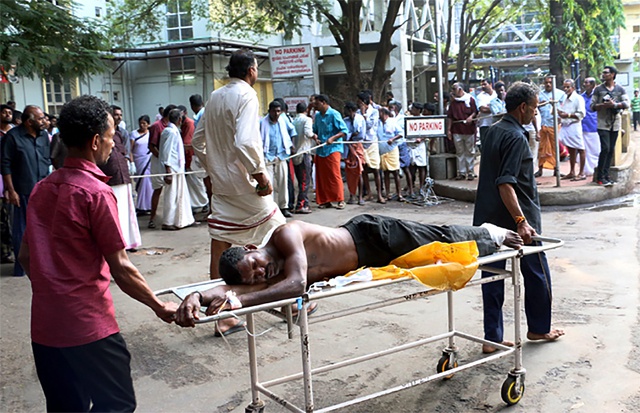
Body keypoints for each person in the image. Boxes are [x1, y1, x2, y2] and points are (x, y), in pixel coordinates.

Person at [19, 95, 177, 412]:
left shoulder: (42, 188)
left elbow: (26, 256)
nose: (111, 143)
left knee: (66, 407)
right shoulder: (96, 192)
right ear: (95, 141)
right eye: (109, 136)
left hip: (46, 327)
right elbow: (121, 267)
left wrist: (53, 288)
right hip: (88, 326)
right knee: (117, 404)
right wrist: (159, 306)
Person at [174, 214, 523, 324]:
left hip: (370, 234)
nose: (261, 274)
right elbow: (232, 290)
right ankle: (489, 236)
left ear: (251, 249)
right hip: (367, 261)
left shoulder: (284, 236)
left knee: (439, 239)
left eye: (256, 266)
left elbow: (296, 284)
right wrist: (196, 295)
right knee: (438, 255)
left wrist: (242, 301)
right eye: (255, 278)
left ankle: (493, 232)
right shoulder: (270, 274)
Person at [472, 81, 565, 354]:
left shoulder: (493, 131)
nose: (535, 114)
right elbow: (505, 183)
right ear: (522, 107)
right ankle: (539, 327)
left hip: (488, 221)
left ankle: (493, 337)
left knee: (492, 277)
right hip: (518, 222)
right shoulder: (515, 137)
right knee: (537, 273)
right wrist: (521, 221)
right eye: (534, 109)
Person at [191, 49, 285, 284]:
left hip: (223, 185)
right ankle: (290, 302)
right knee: (282, 235)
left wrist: (213, 169)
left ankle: (219, 311)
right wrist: (261, 177)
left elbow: (197, 141)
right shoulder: (247, 95)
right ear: (251, 70)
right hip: (246, 184)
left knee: (221, 240)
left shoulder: (214, 96)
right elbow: (244, 142)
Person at [1, 105, 50, 277]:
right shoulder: (12, 137)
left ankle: (41, 263)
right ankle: (21, 267)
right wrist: (11, 191)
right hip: (22, 191)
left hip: (43, 190)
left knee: (44, 228)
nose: (44, 121)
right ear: (29, 122)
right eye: (41, 118)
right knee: (21, 230)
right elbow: (5, 165)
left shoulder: (44, 136)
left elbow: (47, 160)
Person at [98, 105, 142, 251]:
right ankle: (119, 243)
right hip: (111, 177)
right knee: (115, 212)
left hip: (123, 175)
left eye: (119, 115)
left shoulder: (121, 133)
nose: (118, 117)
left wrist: (130, 164)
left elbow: (125, 152)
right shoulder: (102, 134)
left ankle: (130, 241)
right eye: (115, 115)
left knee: (127, 211)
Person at [590, 65, 630, 186]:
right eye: (603, 73)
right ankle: (600, 176)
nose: (604, 75)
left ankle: (606, 176)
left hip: (615, 124)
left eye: (606, 73)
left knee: (611, 150)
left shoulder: (620, 89)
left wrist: (614, 105)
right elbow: (592, 106)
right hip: (603, 124)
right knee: (605, 148)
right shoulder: (598, 90)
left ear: (612, 74)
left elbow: (626, 103)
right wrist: (603, 105)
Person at [159, 108, 195, 230]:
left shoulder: (172, 131)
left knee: (180, 195)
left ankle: (181, 220)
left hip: (177, 168)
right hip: (173, 168)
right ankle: (168, 222)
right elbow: (167, 152)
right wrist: (168, 170)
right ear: (180, 119)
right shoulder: (170, 132)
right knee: (172, 195)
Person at [260, 100, 297, 217]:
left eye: (278, 111)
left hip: (282, 154)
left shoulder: (283, 120)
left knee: (283, 182)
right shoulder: (262, 122)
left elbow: (292, 131)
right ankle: (270, 209)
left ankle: (284, 207)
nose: (276, 114)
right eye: (274, 111)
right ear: (269, 111)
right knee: (268, 183)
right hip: (268, 156)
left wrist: (292, 145)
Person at [312, 94, 348, 210]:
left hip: (333, 149)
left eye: (317, 104)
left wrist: (333, 138)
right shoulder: (317, 116)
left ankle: (340, 199)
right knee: (322, 176)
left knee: (334, 174)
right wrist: (316, 137)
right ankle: (325, 200)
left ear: (323, 102)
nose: (315, 106)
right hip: (321, 149)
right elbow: (315, 130)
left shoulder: (334, 114)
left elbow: (344, 131)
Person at [148, 104, 177, 229]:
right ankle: (152, 218)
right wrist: (163, 159)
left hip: (169, 162)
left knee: (172, 190)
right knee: (158, 189)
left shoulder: (171, 128)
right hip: (158, 161)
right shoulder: (156, 126)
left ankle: (172, 218)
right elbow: (151, 146)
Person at [178, 104, 208, 214]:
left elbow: (189, 143)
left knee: (197, 183)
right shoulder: (184, 124)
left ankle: (204, 203)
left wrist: (178, 146)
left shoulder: (190, 124)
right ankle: (198, 203)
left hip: (192, 157)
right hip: (189, 157)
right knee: (193, 184)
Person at [357, 91, 385, 204]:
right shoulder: (357, 112)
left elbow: (369, 125)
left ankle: (379, 194)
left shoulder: (374, 112)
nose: (358, 104)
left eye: (359, 101)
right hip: (362, 143)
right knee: (363, 170)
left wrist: (364, 115)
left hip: (372, 142)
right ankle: (368, 193)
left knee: (375, 169)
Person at [447, 82, 478, 180]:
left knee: (470, 151)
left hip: (469, 130)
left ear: (460, 89)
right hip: (457, 129)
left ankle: (470, 172)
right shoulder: (453, 102)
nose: (452, 91)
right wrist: (448, 130)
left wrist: (471, 117)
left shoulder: (470, 99)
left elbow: (475, 112)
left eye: (454, 89)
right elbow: (450, 117)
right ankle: (462, 172)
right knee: (460, 152)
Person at [536, 75, 565, 177]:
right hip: (543, 125)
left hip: (554, 125)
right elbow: (535, 109)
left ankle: (556, 169)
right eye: (546, 83)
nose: (548, 84)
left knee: (555, 148)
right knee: (542, 148)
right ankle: (540, 169)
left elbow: (564, 108)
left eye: (550, 82)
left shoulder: (561, 94)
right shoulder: (540, 95)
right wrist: (540, 104)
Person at [557, 79, 586, 180]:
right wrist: (560, 114)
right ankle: (572, 171)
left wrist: (568, 115)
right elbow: (563, 111)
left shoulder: (578, 98)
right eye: (564, 87)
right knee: (570, 148)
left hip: (574, 125)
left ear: (573, 87)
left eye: (568, 87)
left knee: (580, 148)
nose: (565, 89)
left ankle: (581, 172)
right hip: (565, 126)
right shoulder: (565, 98)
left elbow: (581, 114)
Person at [377, 107, 404, 201]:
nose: (379, 115)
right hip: (382, 150)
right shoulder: (378, 123)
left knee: (395, 172)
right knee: (386, 172)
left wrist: (393, 139)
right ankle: (388, 193)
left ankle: (399, 193)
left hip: (392, 149)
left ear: (385, 113)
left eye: (380, 113)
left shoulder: (392, 122)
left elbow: (401, 133)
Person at [291, 102, 314, 214]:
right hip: (304, 153)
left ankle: (305, 203)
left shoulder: (294, 120)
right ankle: (301, 204)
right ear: (306, 110)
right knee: (305, 181)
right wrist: (315, 136)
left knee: (301, 181)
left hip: (295, 154)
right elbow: (308, 132)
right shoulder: (307, 120)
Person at [343, 101, 366, 205]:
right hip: (348, 147)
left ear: (350, 110)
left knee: (358, 172)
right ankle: (352, 195)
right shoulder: (345, 121)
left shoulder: (360, 119)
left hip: (357, 146)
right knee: (350, 173)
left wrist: (350, 137)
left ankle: (360, 196)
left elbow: (359, 133)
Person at [131, 114, 153, 213]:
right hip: (138, 160)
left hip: (148, 160)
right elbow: (129, 149)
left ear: (148, 124)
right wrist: (131, 162)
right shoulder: (134, 134)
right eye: (140, 123)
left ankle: (148, 205)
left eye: (144, 123)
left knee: (147, 182)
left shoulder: (151, 133)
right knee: (140, 183)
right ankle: (140, 206)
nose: (142, 125)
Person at [581, 77, 601, 177]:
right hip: (583, 127)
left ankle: (595, 170)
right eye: (584, 83)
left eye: (587, 83)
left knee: (595, 150)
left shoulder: (598, 96)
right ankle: (587, 171)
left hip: (595, 126)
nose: (585, 84)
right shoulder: (581, 97)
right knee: (585, 151)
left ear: (593, 85)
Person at [476, 79, 497, 144]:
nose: (483, 86)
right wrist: (495, 108)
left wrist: (490, 108)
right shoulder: (480, 96)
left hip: (496, 123)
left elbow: (502, 108)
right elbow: (483, 109)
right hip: (484, 124)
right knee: (485, 144)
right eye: (482, 85)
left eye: (485, 84)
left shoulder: (496, 94)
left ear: (490, 84)